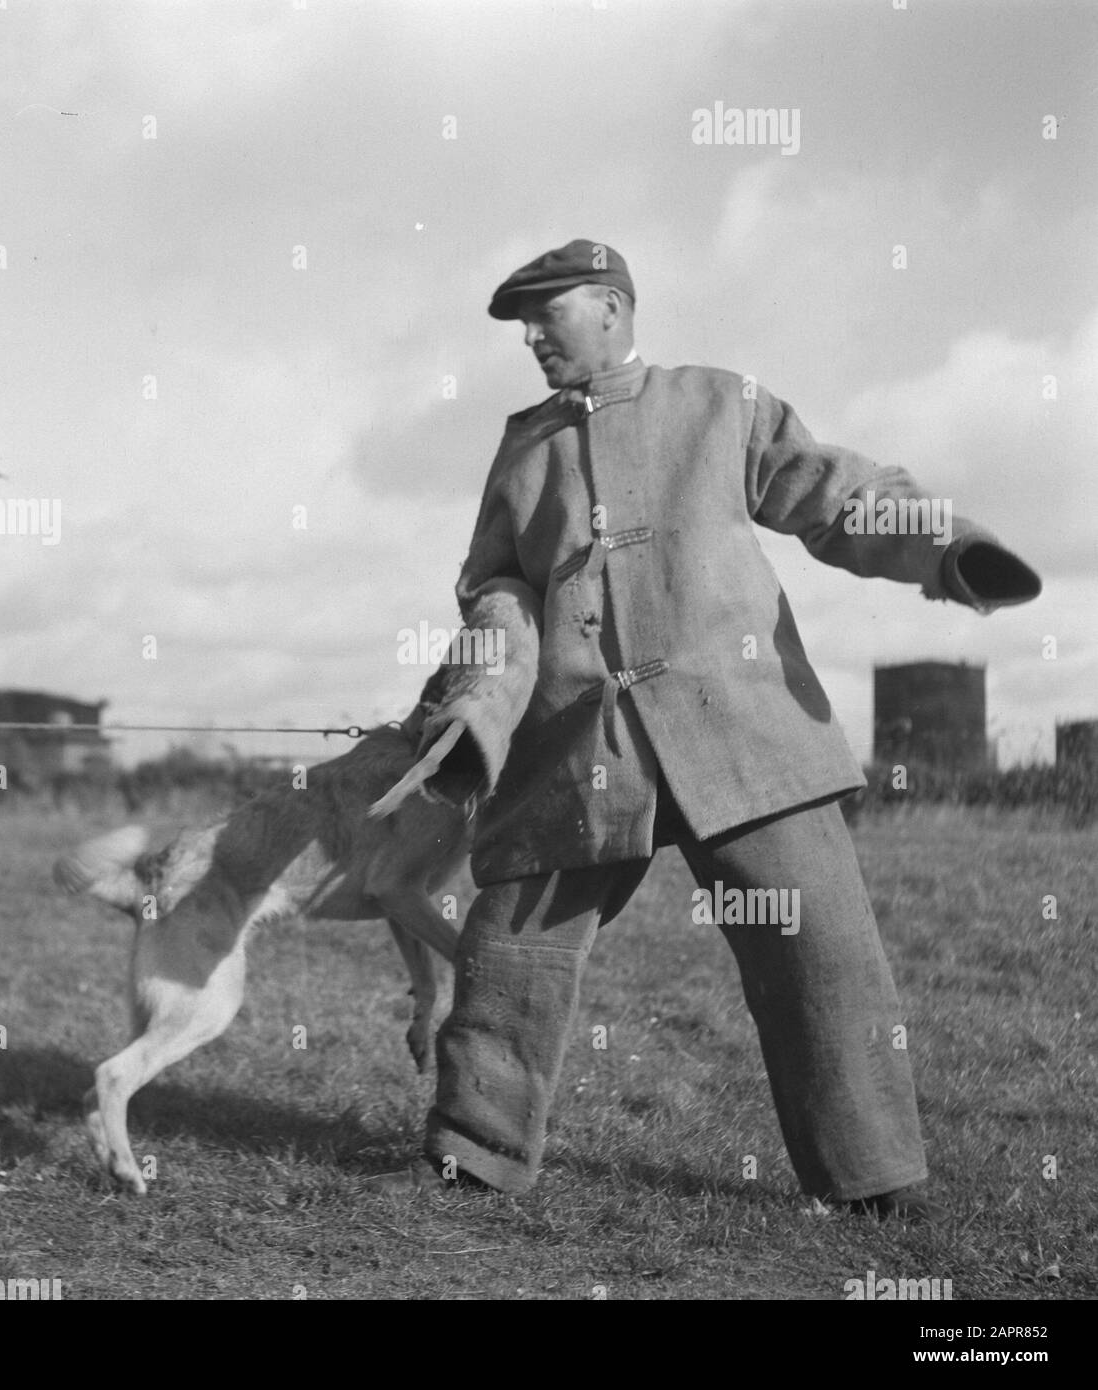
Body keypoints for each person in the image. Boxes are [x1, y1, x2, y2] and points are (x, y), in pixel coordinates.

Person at [369, 240, 1040, 1220]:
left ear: (608, 305)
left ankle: (874, 1179)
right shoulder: (522, 450)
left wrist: (950, 548)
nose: (527, 336)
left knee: (821, 949)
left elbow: (836, 489)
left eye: (542, 313)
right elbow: (498, 598)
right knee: (508, 946)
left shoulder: (721, 403)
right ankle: (476, 1152)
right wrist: (474, 708)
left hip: (747, 735)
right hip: (578, 751)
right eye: (521, 321)